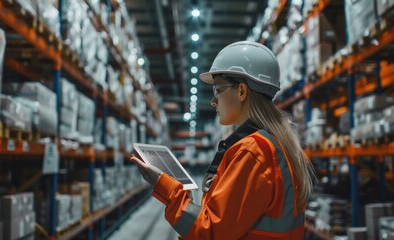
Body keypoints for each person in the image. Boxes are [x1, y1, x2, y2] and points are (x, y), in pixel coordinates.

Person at [130, 41, 315, 239]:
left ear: (242, 91)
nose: (213, 101)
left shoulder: (252, 152)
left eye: (218, 90)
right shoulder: (276, 144)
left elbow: (210, 232)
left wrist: (165, 186)